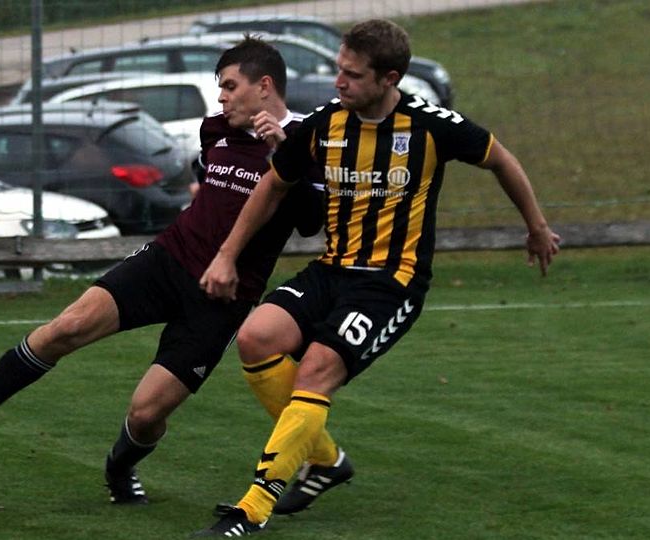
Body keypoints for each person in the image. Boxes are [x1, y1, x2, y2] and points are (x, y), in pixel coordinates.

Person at [0, 36, 324, 505]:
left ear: (264, 86)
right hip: (167, 261)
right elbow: (209, 182)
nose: (221, 97)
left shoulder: (305, 139)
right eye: (220, 87)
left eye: (229, 86)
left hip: (223, 298)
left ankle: (119, 468)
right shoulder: (216, 129)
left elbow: (311, 222)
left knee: (145, 414)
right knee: (66, 326)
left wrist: (285, 155)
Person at [195, 19, 561, 536]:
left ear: (389, 79)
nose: (338, 82)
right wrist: (227, 255)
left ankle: (252, 508)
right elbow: (274, 185)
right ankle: (326, 461)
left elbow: (501, 159)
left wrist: (537, 227)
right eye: (338, 69)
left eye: (352, 74)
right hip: (332, 268)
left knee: (316, 370)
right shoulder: (324, 124)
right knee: (256, 337)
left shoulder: (431, 125)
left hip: (392, 282)